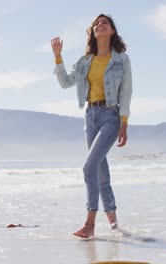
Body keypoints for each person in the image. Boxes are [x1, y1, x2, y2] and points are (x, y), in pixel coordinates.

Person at [51, 14, 132, 238]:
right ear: (93, 31)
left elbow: (126, 92)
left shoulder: (121, 60)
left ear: (112, 31)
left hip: (110, 117)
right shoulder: (85, 61)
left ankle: (89, 224)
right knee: (101, 172)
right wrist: (58, 58)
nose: (100, 25)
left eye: (105, 22)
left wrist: (124, 123)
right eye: (97, 23)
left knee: (89, 168)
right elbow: (66, 83)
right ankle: (115, 225)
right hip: (90, 116)